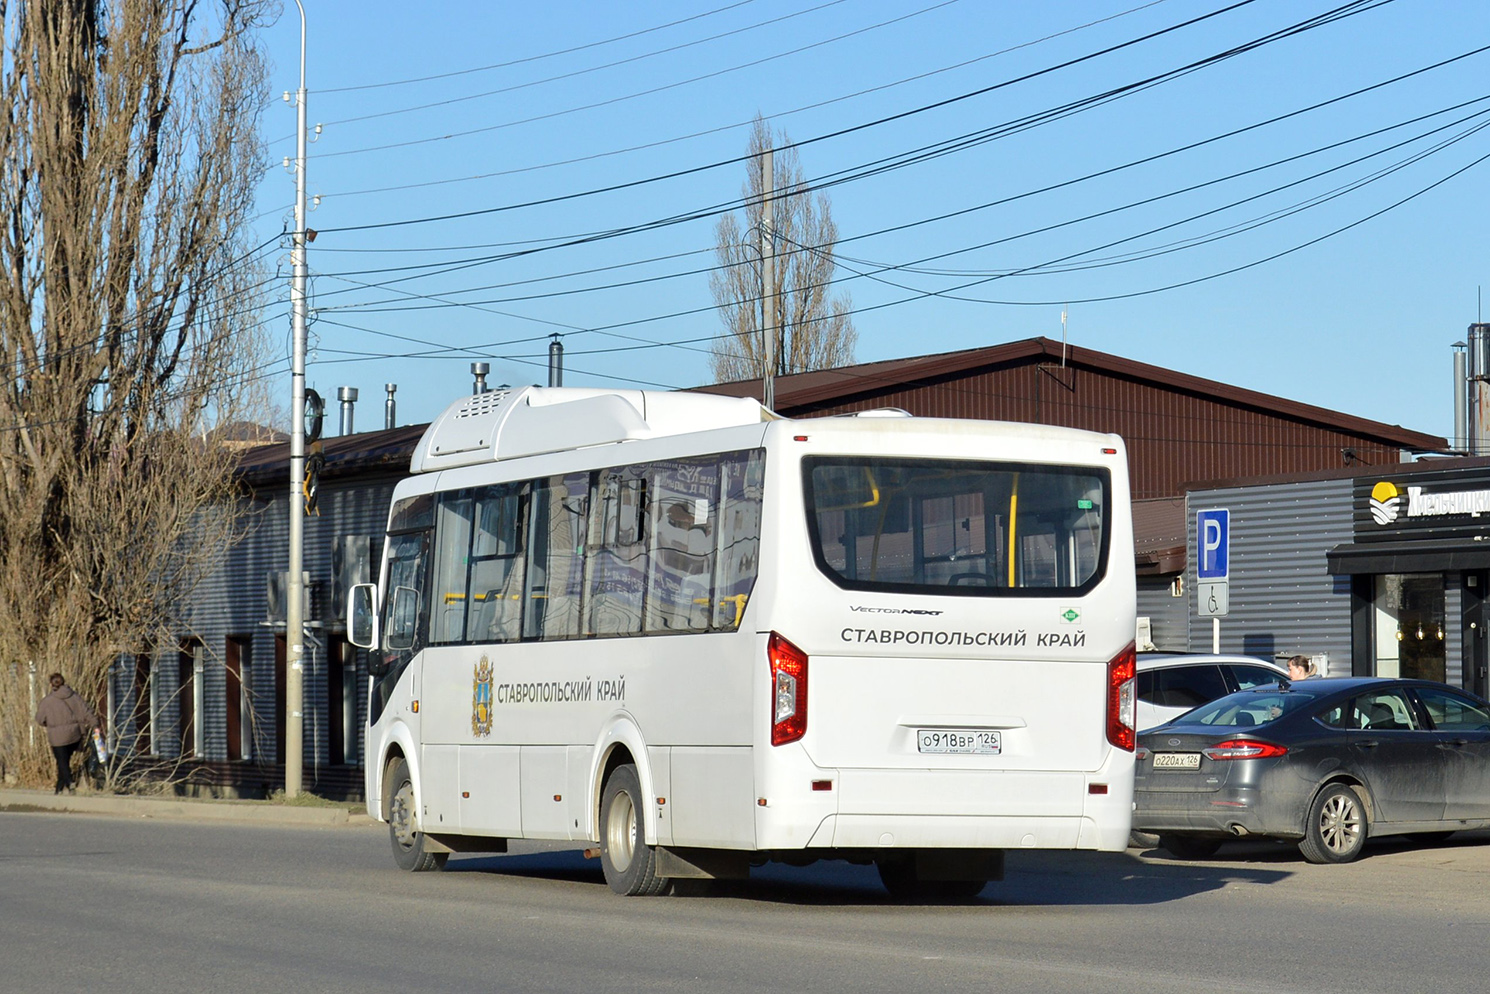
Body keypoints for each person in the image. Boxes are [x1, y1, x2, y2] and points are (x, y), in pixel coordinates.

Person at [34, 673, 99, 794]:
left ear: (51, 684)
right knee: (64, 761)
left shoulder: (47, 701)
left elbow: (39, 719)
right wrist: (94, 725)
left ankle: (69, 782)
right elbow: (87, 711)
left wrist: (49, 723)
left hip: (57, 737)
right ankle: (59, 788)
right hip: (74, 734)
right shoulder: (74, 696)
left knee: (62, 761)